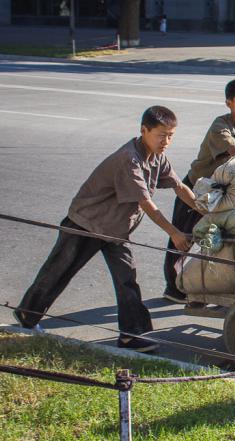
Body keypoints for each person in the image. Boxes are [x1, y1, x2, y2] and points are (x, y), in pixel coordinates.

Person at [15, 106, 198, 353]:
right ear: (144, 130)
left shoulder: (156, 157)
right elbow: (147, 204)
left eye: (171, 135)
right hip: (86, 224)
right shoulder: (129, 159)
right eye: (161, 135)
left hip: (115, 231)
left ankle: (132, 335)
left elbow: (179, 187)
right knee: (59, 271)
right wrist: (174, 233)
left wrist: (205, 210)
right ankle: (27, 316)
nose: (166, 141)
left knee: (127, 280)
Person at [162, 79, 235, 303]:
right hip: (194, 191)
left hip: (222, 196)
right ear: (229, 103)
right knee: (183, 239)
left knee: (212, 239)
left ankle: (202, 285)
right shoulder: (220, 125)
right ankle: (173, 288)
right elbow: (234, 151)